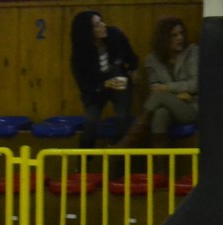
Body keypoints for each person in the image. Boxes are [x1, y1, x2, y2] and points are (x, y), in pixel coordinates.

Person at [114, 17, 198, 148]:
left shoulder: (192, 52)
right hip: (170, 105)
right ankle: (160, 161)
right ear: (164, 38)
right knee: (160, 114)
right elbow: (155, 88)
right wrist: (175, 93)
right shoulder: (152, 60)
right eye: (174, 35)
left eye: (181, 33)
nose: (180, 38)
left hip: (191, 106)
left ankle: (128, 142)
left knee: (159, 95)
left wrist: (167, 87)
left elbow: (195, 84)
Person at [70, 10, 139, 149]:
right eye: (97, 25)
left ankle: (120, 155)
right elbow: (84, 85)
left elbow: (131, 56)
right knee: (90, 122)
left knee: (122, 118)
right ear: (87, 31)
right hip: (95, 90)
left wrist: (134, 70)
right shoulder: (79, 55)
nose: (103, 25)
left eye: (101, 21)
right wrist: (104, 85)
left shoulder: (116, 35)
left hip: (118, 82)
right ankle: (84, 159)